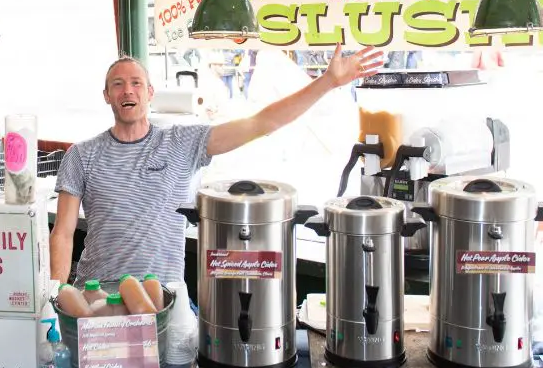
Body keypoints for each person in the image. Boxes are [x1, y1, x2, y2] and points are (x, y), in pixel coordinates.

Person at [50, 43, 383, 288]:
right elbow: (63, 233)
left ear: (150, 93)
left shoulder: (183, 142)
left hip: (165, 296)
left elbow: (260, 123)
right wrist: (56, 292)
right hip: (97, 295)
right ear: (107, 95)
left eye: (136, 83)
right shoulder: (82, 155)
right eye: (118, 84)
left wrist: (327, 82)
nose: (128, 90)